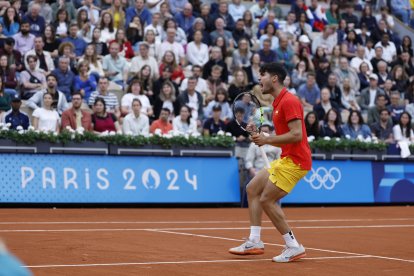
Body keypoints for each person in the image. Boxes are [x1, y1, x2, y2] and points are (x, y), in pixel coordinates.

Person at [228, 62, 311, 263]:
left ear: (274, 78)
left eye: (262, 75)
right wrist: (257, 132)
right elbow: (276, 128)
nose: (259, 79)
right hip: (286, 159)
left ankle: (293, 246)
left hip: (296, 162)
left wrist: (266, 139)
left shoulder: (289, 101)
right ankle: (255, 241)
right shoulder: (276, 103)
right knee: (252, 188)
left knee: (267, 200)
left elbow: (296, 134)